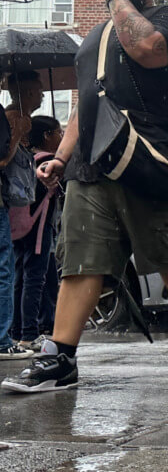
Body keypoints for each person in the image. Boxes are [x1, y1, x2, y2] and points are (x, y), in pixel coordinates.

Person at [2, 0, 168, 393]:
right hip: (91, 165)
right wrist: (63, 157)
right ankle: (60, 357)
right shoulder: (94, 38)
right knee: (80, 261)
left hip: (146, 155)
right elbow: (85, 106)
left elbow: (146, 49)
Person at [0, 71, 44, 360]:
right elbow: (3, 159)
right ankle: (5, 340)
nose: (41, 95)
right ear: (26, 92)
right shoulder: (12, 118)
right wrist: (16, 135)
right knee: (8, 270)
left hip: (12, 202)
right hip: (8, 202)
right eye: (37, 91)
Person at [11, 116, 63, 352]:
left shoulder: (27, 159)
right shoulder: (48, 163)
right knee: (34, 281)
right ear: (46, 136)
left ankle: (17, 331)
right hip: (39, 229)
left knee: (20, 279)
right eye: (58, 133)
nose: (61, 137)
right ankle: (29, 334)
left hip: (20, 229)